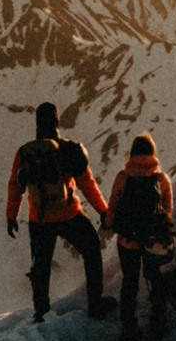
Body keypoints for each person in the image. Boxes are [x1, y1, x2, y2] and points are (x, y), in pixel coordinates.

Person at [6, 102, 111, 323]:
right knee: (91, 249)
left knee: (41, 267)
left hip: (39, 218)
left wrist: (11, 216)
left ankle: (41, 313)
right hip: (69, 215)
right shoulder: (68, 148)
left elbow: (15, 186)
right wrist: (103, 210)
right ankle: (95, 303)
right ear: (56, 122)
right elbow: (86, 183)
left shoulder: (25, 152)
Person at [105, 133, 175, 341]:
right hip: (152, 240)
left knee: (130, 282)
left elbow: (113, 206)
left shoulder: (123, 177)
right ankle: (159, 320)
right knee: (154, 277)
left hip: (127, 240)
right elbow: (168, 210)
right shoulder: (160, 178)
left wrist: (109, 224)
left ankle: (129, 328)